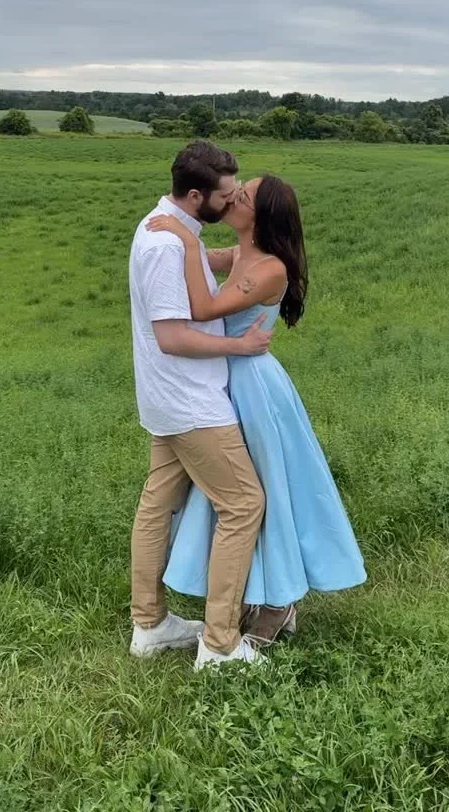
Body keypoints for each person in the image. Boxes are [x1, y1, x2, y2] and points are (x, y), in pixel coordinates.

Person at [147, 173, 367, 645]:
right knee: (233, 495)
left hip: (253, 387)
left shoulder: (270, 268)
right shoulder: (239, 254)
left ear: (260, 216)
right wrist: (177, 233)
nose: (233, 197)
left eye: (243, 196)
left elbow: (203, 308)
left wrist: (183, 235)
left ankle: (278, 603)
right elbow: (199, 262)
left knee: (263, 491)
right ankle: (251, 592)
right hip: (224, 380)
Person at [128, 141, 274, 671]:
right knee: (244, 504)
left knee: (158, 504)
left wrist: (230, 248)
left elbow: (211, 269)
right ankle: (220, 645)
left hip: (167, 399)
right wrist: (240, 345)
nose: (232, 201)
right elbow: (173, 336)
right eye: (226, 195)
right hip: (191, 402)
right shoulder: (167, 245)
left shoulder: (170, 229)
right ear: (196, 196)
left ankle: (150, 625)